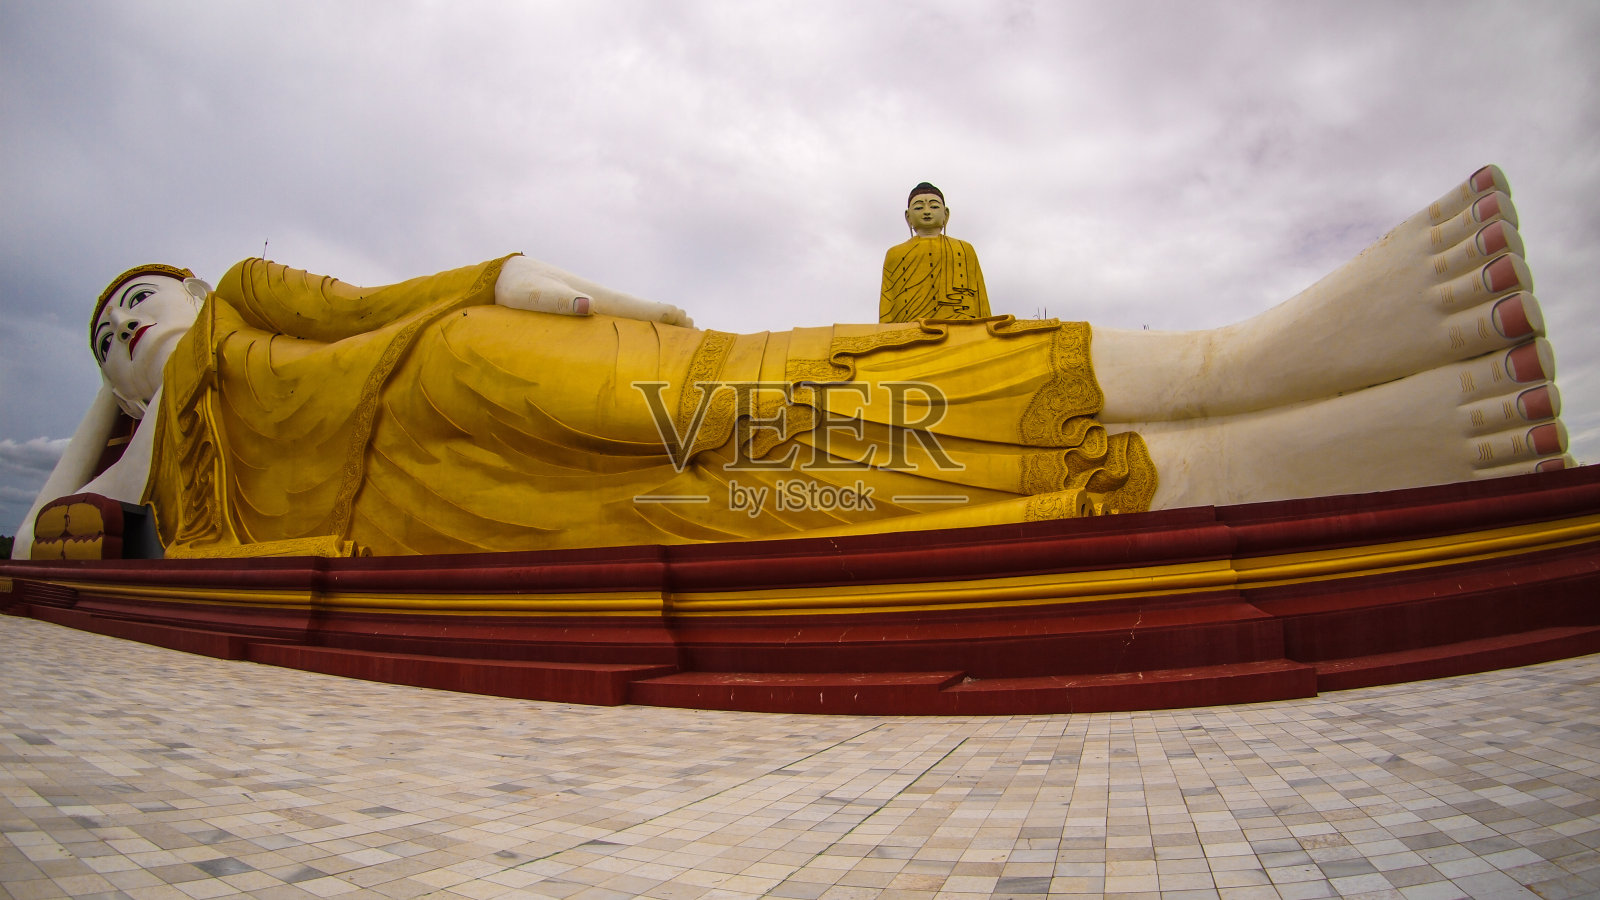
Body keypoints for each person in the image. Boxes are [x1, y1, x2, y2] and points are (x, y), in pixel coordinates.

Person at [12, 166, 1568, 560]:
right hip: (452, 508)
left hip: (476, 372)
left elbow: (397, 296)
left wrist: (557, 289)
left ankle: (1250, 358)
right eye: (106, 339)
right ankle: (1276, 447)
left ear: (193, 279)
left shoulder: (250, 307)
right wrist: (116, 404)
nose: (128, 329)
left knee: (757, 397)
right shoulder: (179, 469)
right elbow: (45, 537)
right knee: (744, 487)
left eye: (138, 302)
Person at [880, 183, 991, 322]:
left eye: (934, 207)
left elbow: (981, 301)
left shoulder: (964, 249)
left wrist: (988, 326)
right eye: (919, 207)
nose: (927, 211)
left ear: (946, 214)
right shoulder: (895, 254)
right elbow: (887, 304)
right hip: (910, 328)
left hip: (960, 326)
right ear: (908, 217)